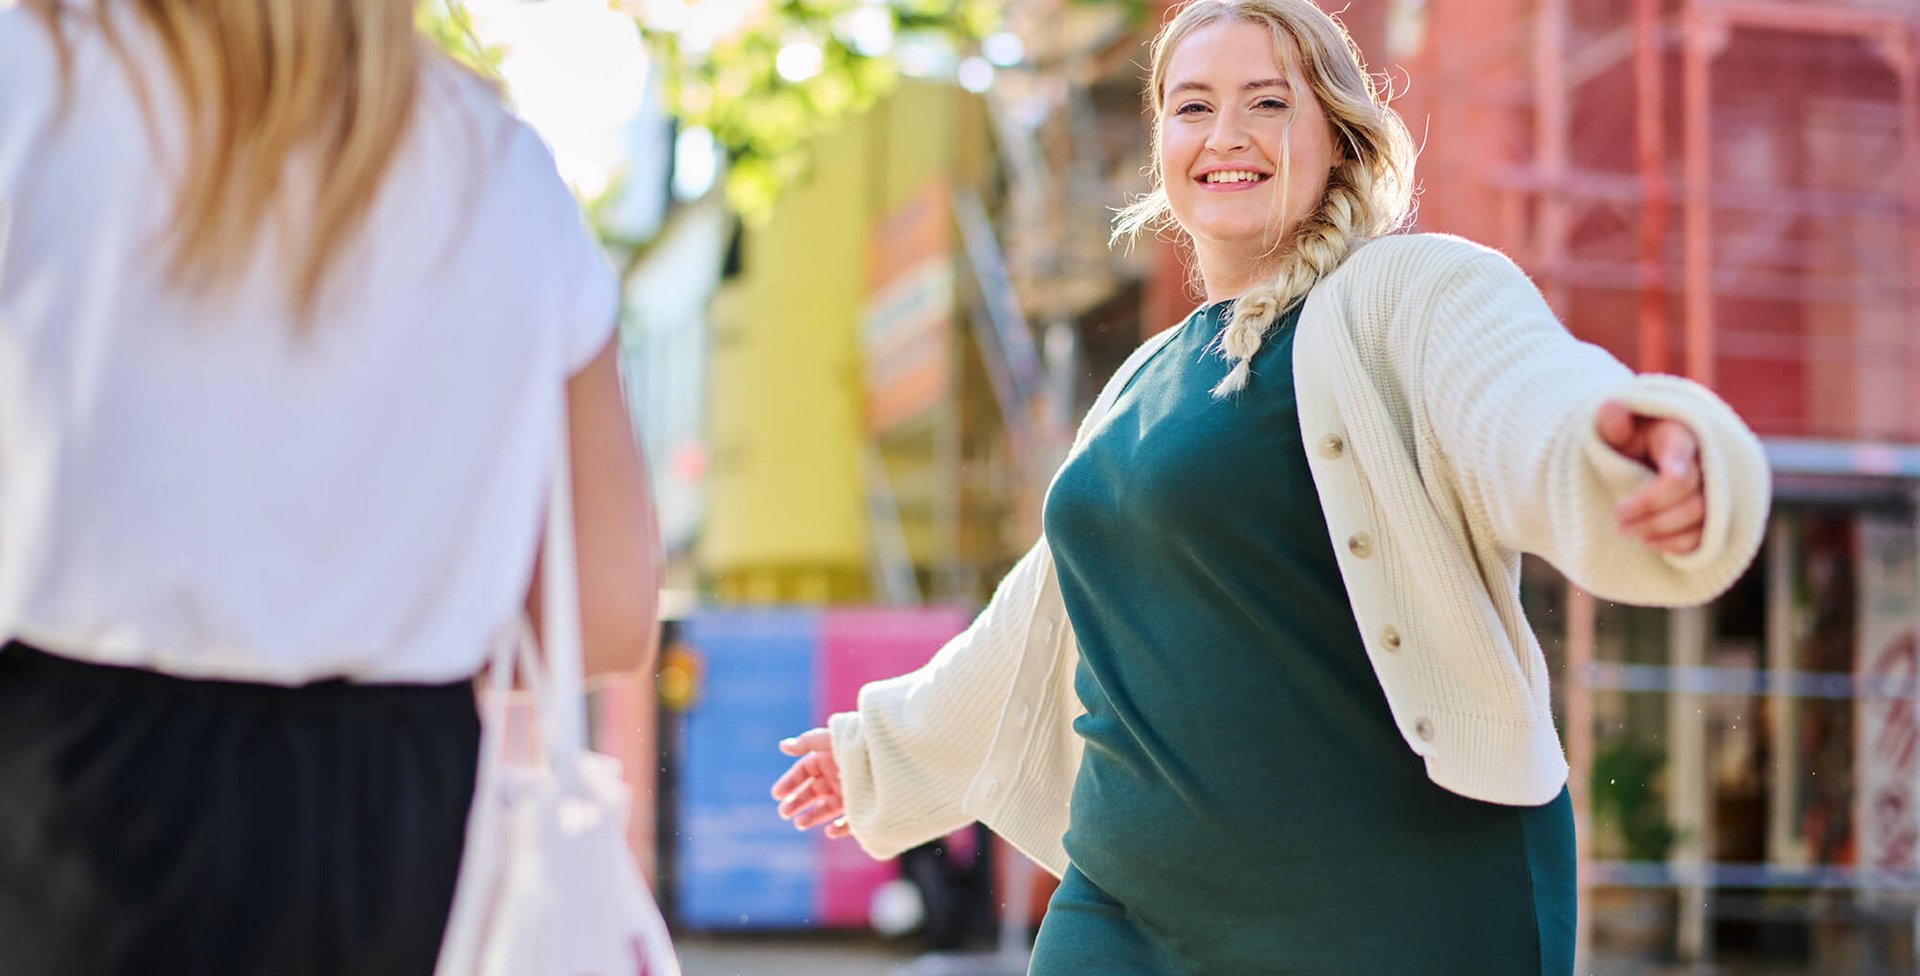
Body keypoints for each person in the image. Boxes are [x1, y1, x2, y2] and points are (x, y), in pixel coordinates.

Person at [770, 0, 1771, 972]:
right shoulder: (1141, 378)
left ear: (1336, 136)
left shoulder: (1402, 292)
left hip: (1392, 895)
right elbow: (1051, 607)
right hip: (1130, 902)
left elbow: (1520, 393)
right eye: (1193, 105)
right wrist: (883, 745)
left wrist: (1622, 450)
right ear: (1161, 144)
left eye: (1268, 102)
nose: (1226, 134)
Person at [0, 2, 661, 974]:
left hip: (65, 791)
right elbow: (606, 609)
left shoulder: (33, 79)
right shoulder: (499, 168)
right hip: (395, 813)